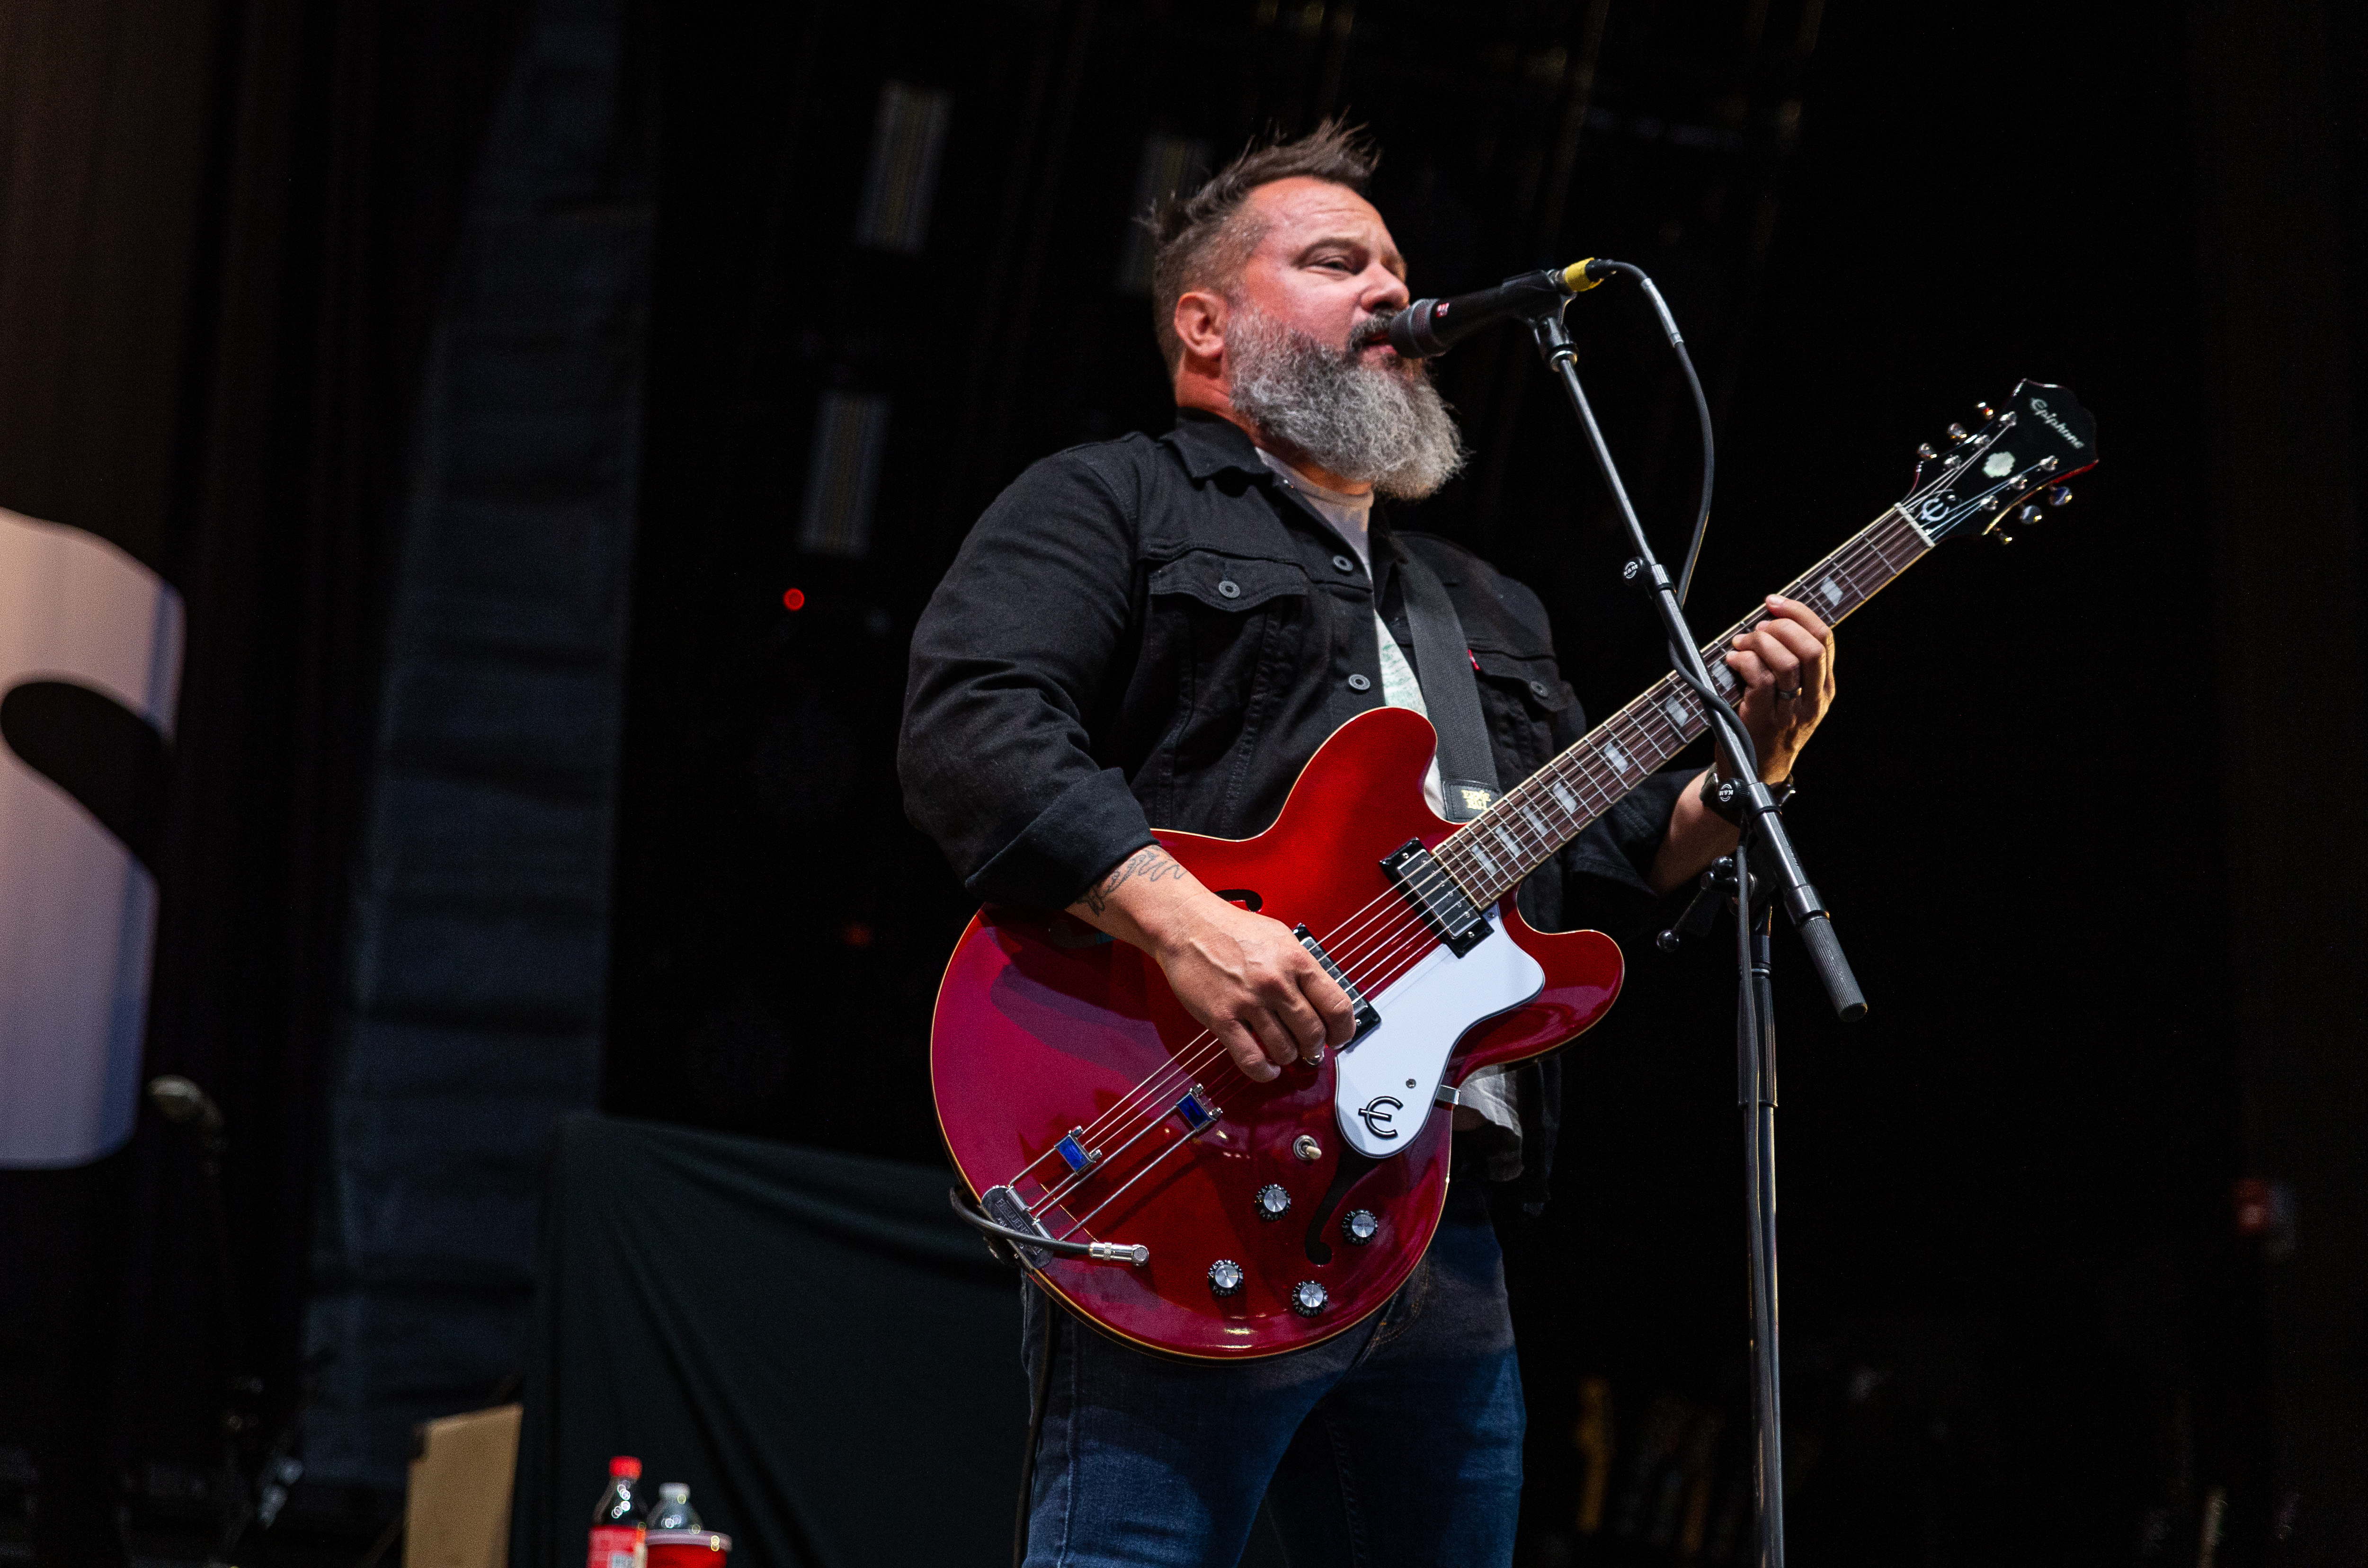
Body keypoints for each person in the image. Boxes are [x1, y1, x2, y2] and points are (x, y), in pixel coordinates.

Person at [899, 122, 1835, 1568]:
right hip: (1190, 1163)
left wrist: (1749, 768)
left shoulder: (1485, 606)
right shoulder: (1110, 500)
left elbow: (1591, 874)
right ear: (1205, 324)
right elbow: (974, 724)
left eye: (1396, 266)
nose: (1393, 293)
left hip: (1435, 1221)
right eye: (1338, 262)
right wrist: (1190, 925)